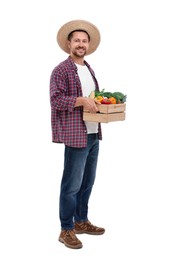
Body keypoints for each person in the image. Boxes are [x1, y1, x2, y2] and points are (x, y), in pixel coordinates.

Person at [50, 19, 105, 249]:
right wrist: (80, 101)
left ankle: (81, 221)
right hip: (76, 135)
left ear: (88, 44)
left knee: (87, 182)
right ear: (69, 43)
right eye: (77, 40)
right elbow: (56, 100)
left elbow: (94, 99)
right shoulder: (61, 70)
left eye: (84, 41)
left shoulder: (88, 68)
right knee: (71, 185)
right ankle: (66, 229)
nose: (81, 44)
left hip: (93, 133)